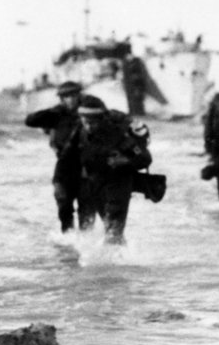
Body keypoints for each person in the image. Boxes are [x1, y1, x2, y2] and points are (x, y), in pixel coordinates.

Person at [74, 95, 151, 244]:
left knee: (113, 231)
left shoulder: (119, 135)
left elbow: (145, 158)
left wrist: (124, 161)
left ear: (101, 119)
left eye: (92, 123)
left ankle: (114, 265)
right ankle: (122, 259)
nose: (89, 127)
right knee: (109, 228)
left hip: (119, 183)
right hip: (96, 184)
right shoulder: (80, 132)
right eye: (85, 122)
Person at [25, 80, 86, 232]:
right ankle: (68, 239)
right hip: (64, 165)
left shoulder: (88, 114)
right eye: (66, 97)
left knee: (86, 210)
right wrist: (55, 110)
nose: (70, 100)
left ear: (79, 96)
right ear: (61, 99)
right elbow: (30, 120)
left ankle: (86, 245)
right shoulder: (57, 115)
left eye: (73, 96)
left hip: (86, 166)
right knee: (63, 205)